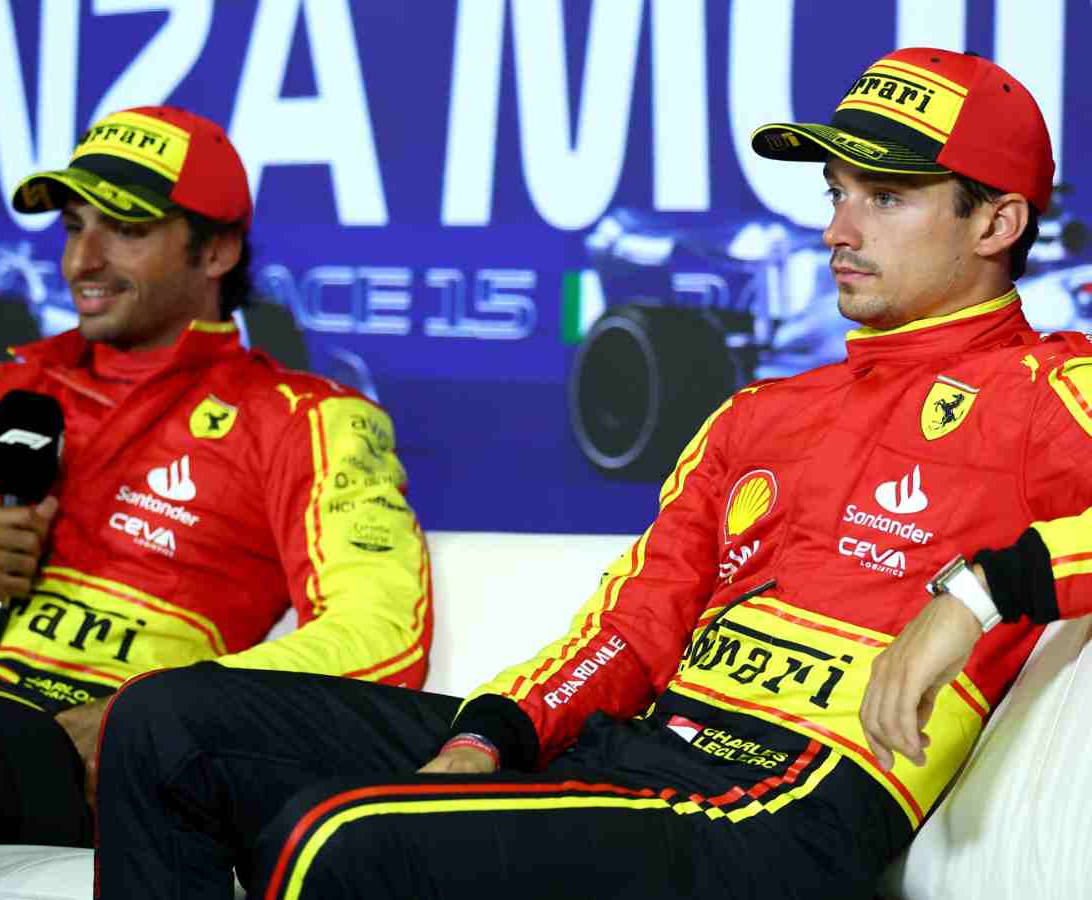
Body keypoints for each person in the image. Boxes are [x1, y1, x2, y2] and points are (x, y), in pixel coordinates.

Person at [96, 49, 1087, 899]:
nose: (837, 230)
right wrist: (497, 733)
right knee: (169, 723)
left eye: (886, 197)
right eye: (836, 194)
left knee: (339, 841)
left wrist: (981, 592)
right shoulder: (761, 414)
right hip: (636, 755)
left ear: (996, 224)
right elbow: (634, 624)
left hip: (771, 805)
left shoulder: (1050, 386)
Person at [0, 105, 431, 899]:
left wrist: (151, 714)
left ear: (216, 250)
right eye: (75, 227)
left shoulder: (303, 419)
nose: (85, 259)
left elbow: (379, 635)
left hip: (79, 750)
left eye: (126, 231)